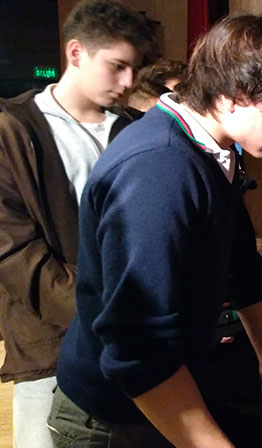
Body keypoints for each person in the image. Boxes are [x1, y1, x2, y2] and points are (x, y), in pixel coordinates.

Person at [47, 13, 262, 447]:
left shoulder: (215, 152)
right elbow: (137, 347)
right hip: (111, 420)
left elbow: (242, 269)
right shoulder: (159, 170)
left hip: (164, 389)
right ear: (234, 97)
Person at [0, 1, 153, 446]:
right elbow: (13, 253)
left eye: (135, 68)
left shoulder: (137, 129)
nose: (128, 82)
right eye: (117, 66)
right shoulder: (14, 130)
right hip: (51, 343)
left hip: (133, 341)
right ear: (76, 53)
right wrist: (102, 315)